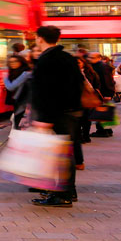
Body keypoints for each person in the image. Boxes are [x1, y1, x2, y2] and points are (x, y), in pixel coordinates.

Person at [29, 25, 83, 208]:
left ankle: (63, 195)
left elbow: (48, 91)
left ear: (39, 38)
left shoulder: (47, 60)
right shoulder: (66, 57)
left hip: (56, 114)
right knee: (64, 153)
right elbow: (77, 84)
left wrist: (44, 118)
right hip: (70, 112)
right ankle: (66, 191)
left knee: (59, 154)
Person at [87, 51, 115, 137]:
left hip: (102, 93)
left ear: (99, 58)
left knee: (100, 112)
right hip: (102, 93)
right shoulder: (98, 66)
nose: (89, 59)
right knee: (103, 111)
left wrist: (108, 94)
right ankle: (107, 130)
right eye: (89, 57)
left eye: (92, 58)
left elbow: (107, 81)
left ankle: (102, 131)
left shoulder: (101, 67)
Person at [4, 55, 31, 129]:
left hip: (24, 102)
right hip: (19, 101)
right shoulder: (15, 73)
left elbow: (11, 87)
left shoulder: (25, 73)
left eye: (15, 61)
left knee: (19, 123)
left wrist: (5, 79)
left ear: (21, 62)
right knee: (19, 123)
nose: (12, 63)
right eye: (10, 62)